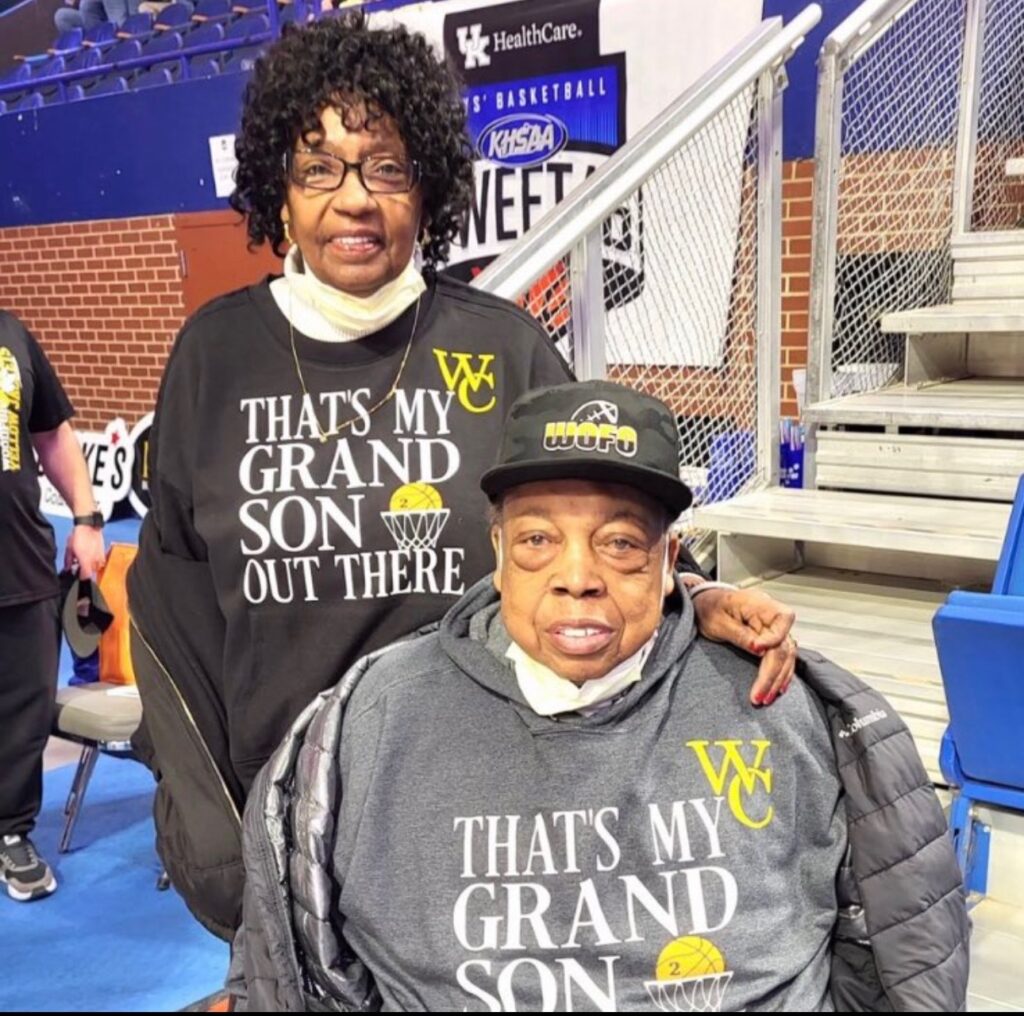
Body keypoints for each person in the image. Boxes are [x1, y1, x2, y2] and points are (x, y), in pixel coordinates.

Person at [128, 14, 798, 942]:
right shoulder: (215, 355)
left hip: (477, 826)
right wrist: (215, 845)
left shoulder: (502, 348)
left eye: (386, 167)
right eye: (318, 167)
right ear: (278, 191)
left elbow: (593, 532)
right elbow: (171, 614)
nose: (353, 199)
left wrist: (697, 595)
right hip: (279, 823)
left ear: (429, 188)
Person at [232, 380, 970, 1012]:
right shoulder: (369, 722)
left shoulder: (782, 703)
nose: (578, 577)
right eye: (537, 541)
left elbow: (898, 950)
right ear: (498, 553)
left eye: (620, 543)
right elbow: (296, 964)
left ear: (670, 560)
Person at [0, 311, 106, 902]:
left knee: (23, 710)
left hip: (19, 559)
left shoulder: (11, 335)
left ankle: (11, 831)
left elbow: (52, 434)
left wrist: (87, 519)